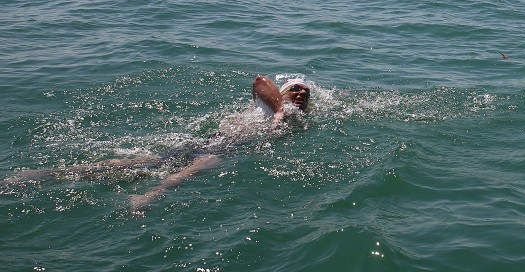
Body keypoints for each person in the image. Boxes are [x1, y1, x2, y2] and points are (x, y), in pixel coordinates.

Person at [4, 75, 311, 212]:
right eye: (295, 89)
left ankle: (146, 194)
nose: (300, 94)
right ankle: (47, 175)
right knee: (143, 164)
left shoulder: (294, 121)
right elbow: (259, 79)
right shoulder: (269, 107)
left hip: (224, 145)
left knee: (149, 164)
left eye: (305, 93)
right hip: (214, 141)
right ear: (283, 93)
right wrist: (280, 111)